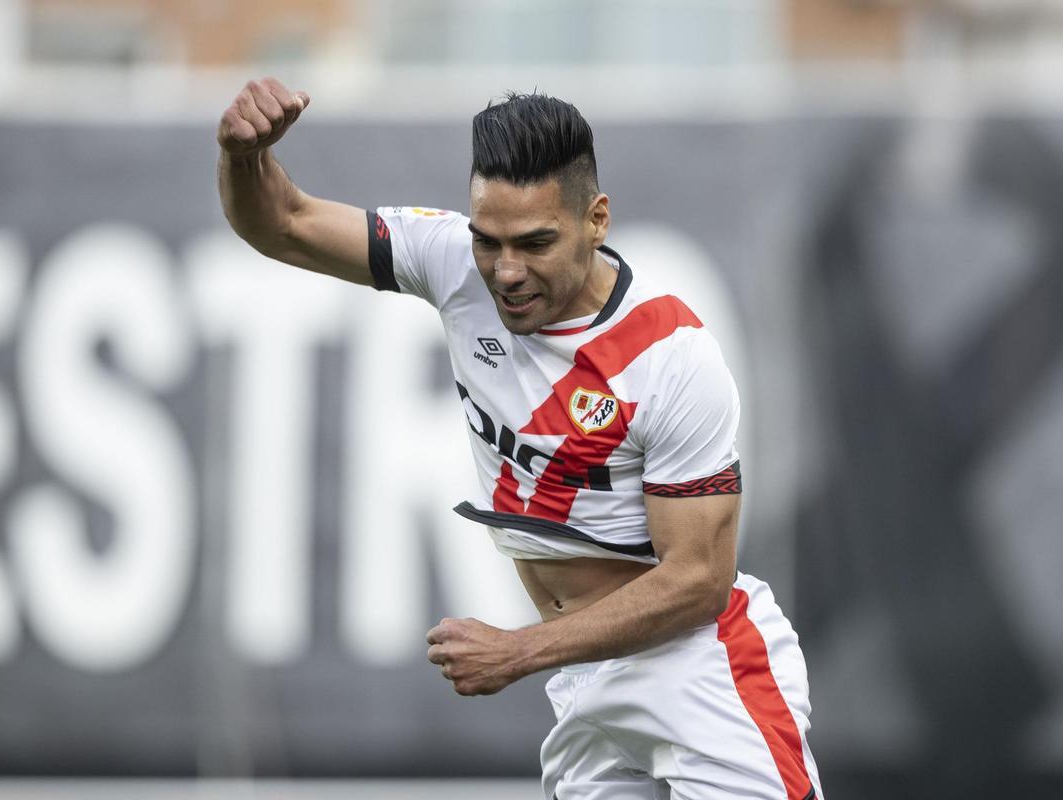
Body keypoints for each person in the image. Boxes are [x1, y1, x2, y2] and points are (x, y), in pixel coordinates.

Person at [217, 77, 823, 800]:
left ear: (596, 219)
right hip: (584, 682)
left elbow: (698, 579)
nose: (506, 272)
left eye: (536, 243)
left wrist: (518, 651)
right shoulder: (447, 261)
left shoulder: (670, 356)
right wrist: (241, 158)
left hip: (703, 669)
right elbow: (282, 222)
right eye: (488, 241)